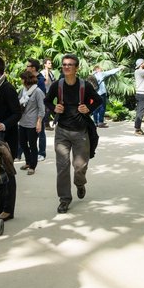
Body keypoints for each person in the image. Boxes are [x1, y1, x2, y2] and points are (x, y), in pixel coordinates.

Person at [44, 53, 101, 213]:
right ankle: (64, 199)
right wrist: (54, 108)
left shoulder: (85, 86)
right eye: (64, 64)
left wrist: (88, 108)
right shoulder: (57, 85)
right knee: (62, 167)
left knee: (79, 167)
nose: (66, 67)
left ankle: (80, 183)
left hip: (81, 132)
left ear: (76, 68)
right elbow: (47, 100)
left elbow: (98, 100)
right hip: (62, 131)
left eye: (70, 64)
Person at [0, 57, 22, 221]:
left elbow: (17, 113)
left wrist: (4, 125)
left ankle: (8, 210)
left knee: (8, 173)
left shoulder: (7, 88)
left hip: (7, 138)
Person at [17, 70, 45, 175]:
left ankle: (33, 166)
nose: (21, 81)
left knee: (33, 145)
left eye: (22, 79)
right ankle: (28, 162)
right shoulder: (23, 91)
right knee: (23, 143)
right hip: (22, 122)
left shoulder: (37, 92)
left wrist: (39, 122)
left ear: (26, 80)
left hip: (32, 123)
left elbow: (42, 108)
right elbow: (18, 101)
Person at [26, 58, 48, 160]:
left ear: (33, 68)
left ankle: (42, 153)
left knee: (40, 131)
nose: (26, 68)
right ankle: (20, 152)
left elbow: (42, 97)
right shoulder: (28, 78)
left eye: (28, 66)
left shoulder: (40, 80)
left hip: (38, 109)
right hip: (28, 110)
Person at [41, 58, 57, 131]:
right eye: (49, 63)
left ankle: (46, 123)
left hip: (50, 92)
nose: (50, 64)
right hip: (45, 92)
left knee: (49, 109)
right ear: (45, 64)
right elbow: (46, 82)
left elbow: (54, 81)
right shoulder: (43, 73)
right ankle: (46, 124)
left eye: (50, 63)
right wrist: (46, 71)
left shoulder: (51, 73)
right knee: (47, 109)